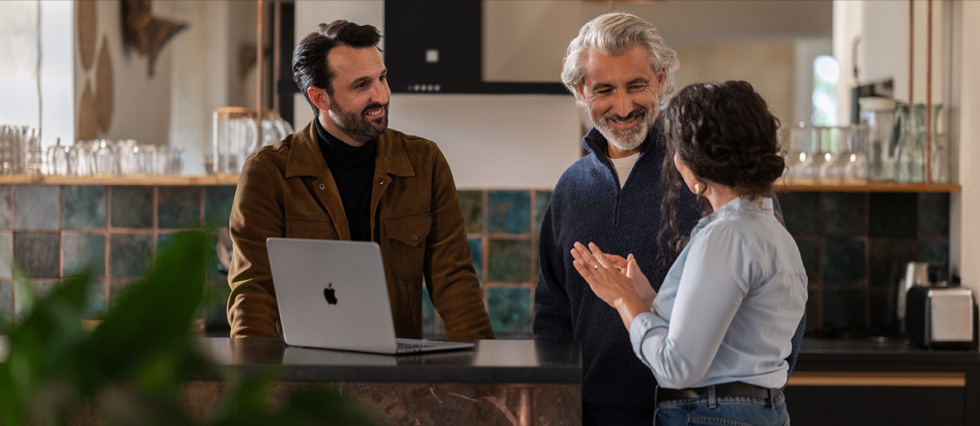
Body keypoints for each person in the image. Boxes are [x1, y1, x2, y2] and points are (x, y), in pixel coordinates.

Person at [533, 13, 804, 425]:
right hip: (591, 413)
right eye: (605, 89)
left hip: (692, 412)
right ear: (581, 90)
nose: (623, 106)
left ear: (661, 81)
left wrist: (744, 399)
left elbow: (776, 316)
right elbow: (553, 311)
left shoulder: (715, 170)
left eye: (637, 85)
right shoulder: (572, 188)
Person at [226, 20, 495, 341]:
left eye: (382, 78)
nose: (381, 95)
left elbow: (454, 280)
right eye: (361, 85)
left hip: (396, 379)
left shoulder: (425, 162)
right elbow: (253, 288)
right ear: (319, 97)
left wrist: (485, 376)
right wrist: (254, 379)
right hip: (305, 376)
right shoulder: (268, 172)